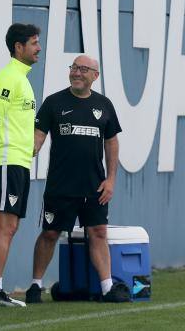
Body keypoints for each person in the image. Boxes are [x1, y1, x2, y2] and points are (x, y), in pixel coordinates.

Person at [25, 54, 129, 303]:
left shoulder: (104, 105)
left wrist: (111, 180)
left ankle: (107, 288)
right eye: (74, 68)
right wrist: (26, 151)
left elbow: (112, 142)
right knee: (50, 233)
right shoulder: (54, 102)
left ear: (95, 75)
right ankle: (35, 286)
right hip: (61, 185)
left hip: (95, 186)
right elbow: (37, 137)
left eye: (83, 69)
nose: (77, 73)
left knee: (98, 232)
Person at [0, 23, 41, 307]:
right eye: (34, 43)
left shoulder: (22, 79)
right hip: (5, 161)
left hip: (19, 163)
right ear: (18, 47)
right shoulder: (8, 78)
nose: (38, 48)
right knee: (4, 226)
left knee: (11, 226)